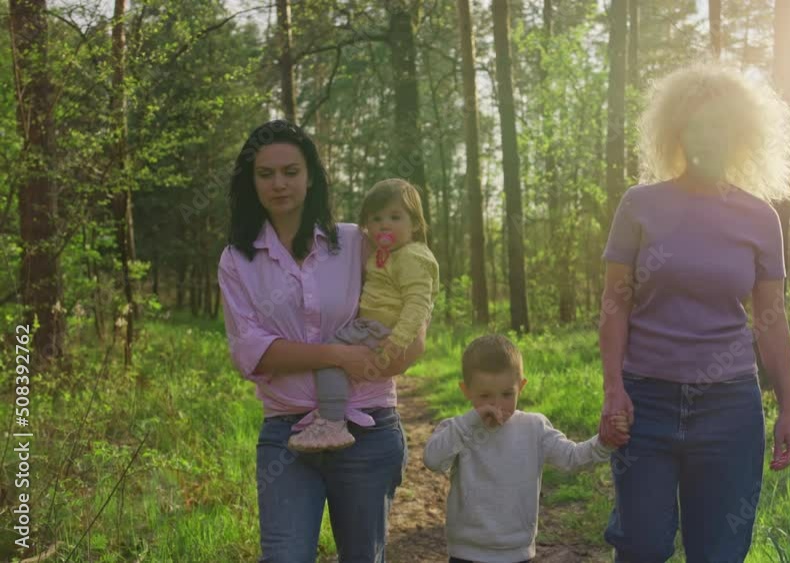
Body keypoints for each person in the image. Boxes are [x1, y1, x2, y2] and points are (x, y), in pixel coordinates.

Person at [598, 63, 790, 563]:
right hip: (645, 401)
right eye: (695, 125)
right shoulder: (639, 205)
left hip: (730, 409)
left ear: (739, 134)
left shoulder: (760, 218)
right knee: (641, 548)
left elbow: (771, 320)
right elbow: (614, 303)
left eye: (719, 126)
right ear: (676, 131)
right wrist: (613, 388)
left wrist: (788, 410)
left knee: (719, 553)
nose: (707, 137)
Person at [218, 120, 425, 562]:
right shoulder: (238, 259)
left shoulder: (355, 242)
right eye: (266, 173)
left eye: (290, 171)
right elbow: (251, 352)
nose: (279, 184)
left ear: (310, 176)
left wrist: (388, 352)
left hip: (367, 427)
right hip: (287, 433)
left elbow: (407, 325)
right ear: (250, 181)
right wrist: (337, 355)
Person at [424, 334, 629, 563]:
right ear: (466, 391)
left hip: (517, 553)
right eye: (484, 396)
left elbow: (572, 457)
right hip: (467, 553)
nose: (496, 404)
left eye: (507, 394)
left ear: (521, 387)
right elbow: (433, 460)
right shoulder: (459, 429)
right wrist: (471, 419)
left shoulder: (534, 428)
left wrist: (604, 442)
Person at [289, 178, 439, 451]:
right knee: (334, 357)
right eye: (376, 218)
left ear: (415, 224)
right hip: (370, 326)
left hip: (380, 331)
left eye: (395, 217)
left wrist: (398, 340)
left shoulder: (413, 257)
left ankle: (331, 422)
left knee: (329, 357)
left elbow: (418, 303)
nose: (384, 224)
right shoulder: (384, 254)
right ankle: (337, 414)